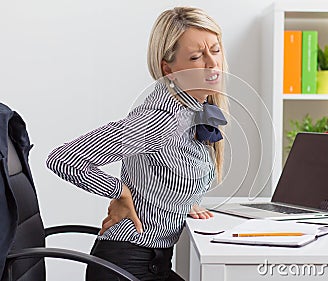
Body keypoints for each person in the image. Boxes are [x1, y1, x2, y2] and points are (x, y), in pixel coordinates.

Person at [46, 6, 229, 281]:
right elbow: (64, 158)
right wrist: (118, 192)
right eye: (195, 56)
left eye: (215, 50)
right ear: (169, 69)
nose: (212, 64)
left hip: (151, 263)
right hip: (126, 267)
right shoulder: (161, 120)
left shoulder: (190, 110)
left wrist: (181, 201)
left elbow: (162, 168)